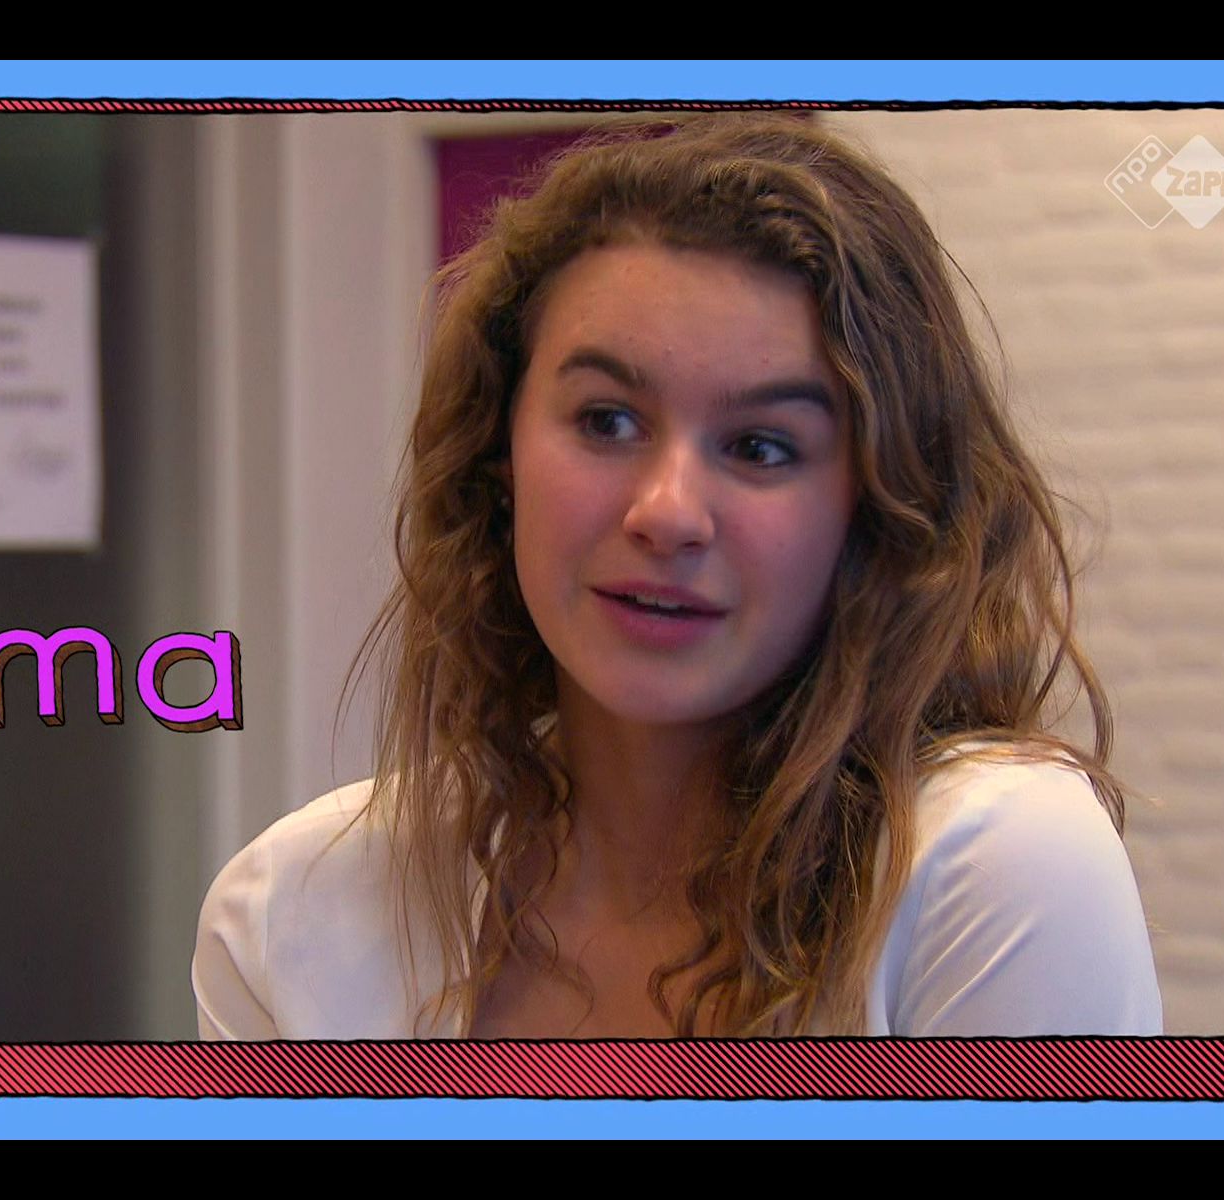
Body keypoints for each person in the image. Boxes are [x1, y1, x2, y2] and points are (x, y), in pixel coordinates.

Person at [192, 114, 1163, 1039]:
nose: (666, 512)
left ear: (878, 502)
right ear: (498, 457)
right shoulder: (293, 916)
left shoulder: (990, 866)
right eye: (606, 421)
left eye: (760, 446)